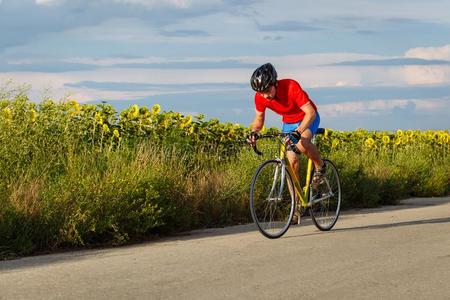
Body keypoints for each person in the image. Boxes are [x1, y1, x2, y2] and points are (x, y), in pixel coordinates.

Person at [247, 63, 325, 183]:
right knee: (291, 163)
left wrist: (298, 132)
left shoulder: (291, 86)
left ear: (275, 83)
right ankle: (297, 201)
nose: (265, 96)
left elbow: (311, 113)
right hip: (289, 122)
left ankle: (320, 166)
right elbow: (259, 120)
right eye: (260, 92)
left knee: (302, 143)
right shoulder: (260, 97)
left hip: (308, 118)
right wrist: (254, 132)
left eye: (267, 90)